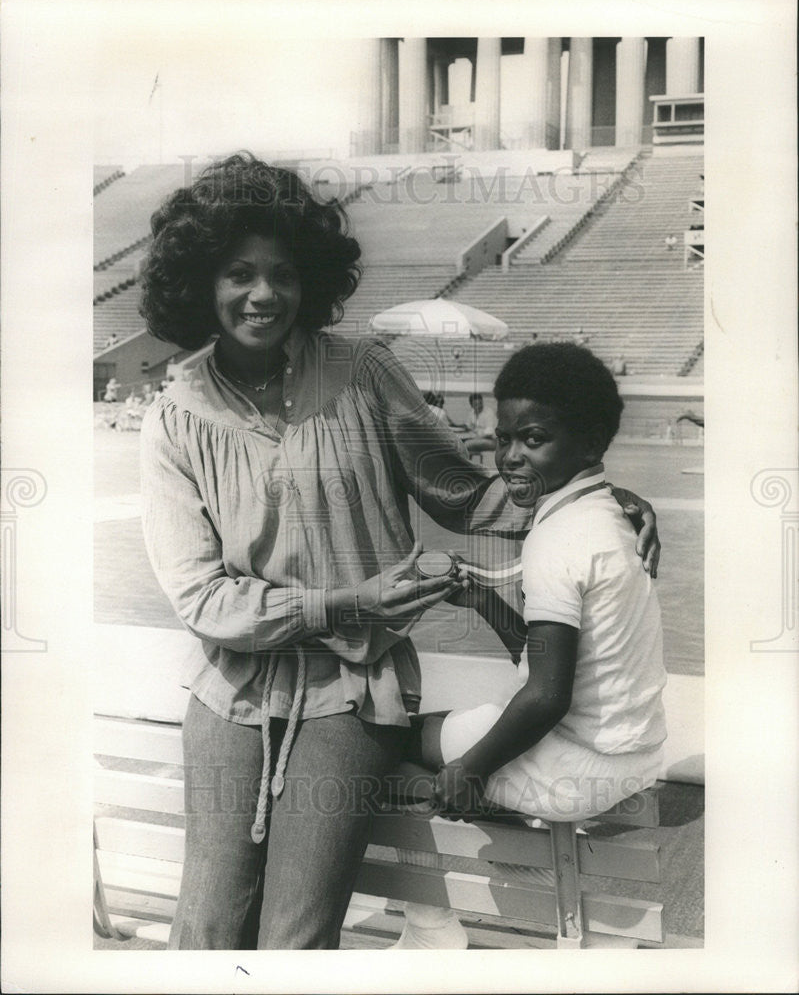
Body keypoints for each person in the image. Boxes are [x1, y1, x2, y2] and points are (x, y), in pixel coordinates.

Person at [137, 153, 660, 951]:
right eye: (238, 274)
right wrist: (348, 603)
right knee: (205, 928)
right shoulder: (173, 416)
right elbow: (204, 600)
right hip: (230, 698)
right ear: (200, 282)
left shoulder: (362, 370)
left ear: (309, 277)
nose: (264, 295)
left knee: (296, 936)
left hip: (354, 692)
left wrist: (588, 495)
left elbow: (459, 489)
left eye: (282, 273)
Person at [391, 343, 666, 949]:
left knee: (383, 747)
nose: (509, 457)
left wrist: (471, 769)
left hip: (576, 770)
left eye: (532, 440)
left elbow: (545, 696)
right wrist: (485, 601)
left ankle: (431, 930)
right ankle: (566, 900)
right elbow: (549, 661)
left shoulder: (559, 536)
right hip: (632, 758)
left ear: (590, 444)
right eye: (503, 437)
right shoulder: (610, 517)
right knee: (457, 738)